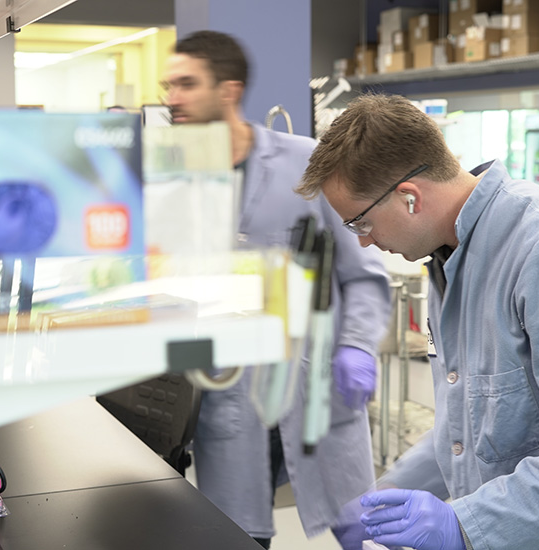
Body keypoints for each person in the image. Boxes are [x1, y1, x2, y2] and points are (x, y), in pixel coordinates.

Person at [296, 93, 539, 549]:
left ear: (409, 198)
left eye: (360, 223)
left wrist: (465, 525)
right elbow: (474, 424)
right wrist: (384, 496)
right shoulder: (450, 259)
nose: (365, 243)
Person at [162, 31, 391, 548]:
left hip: (316, 390)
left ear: (228, 91)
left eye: (185, 84)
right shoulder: (172, 181)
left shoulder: (307, 164)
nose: (171, 97)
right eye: (168, 85)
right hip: (226, 401)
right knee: (240, 536)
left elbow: (364, 273)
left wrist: (356, 345)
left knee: (362, 531)